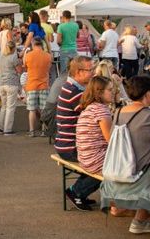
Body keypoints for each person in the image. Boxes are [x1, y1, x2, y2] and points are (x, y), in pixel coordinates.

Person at [99, 76, 150, 234]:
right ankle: (141, 219)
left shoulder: (119, 112)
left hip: (118, 169)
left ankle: (137, 214)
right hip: (140, 175)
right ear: (147, 93)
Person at [55, 56, 98, 210]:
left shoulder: (72, 88)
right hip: (71, 146)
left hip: (66, 144)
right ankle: (77, 192)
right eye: (90, 70)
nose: (93, 73)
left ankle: (80, 191)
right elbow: (97, 114)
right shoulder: (75, 93)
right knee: (104, 162)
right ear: (79, 72)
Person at [24, 37, 52, 137]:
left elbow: (25, 68)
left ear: (33, 44)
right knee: (44, 109)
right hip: (44, 84)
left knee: (32, 110)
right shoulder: (48, 56)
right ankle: (44, 130)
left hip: (31, 85)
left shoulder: (28, 55)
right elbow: (49, 69)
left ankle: (32, 131)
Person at [0, 40, 21, 135]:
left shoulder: (0, 57)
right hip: (11, 83)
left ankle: (0, 128)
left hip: (1, 83)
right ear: (14, 48)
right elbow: (19, 70)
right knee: (10, 108)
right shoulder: (14, 57)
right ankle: (7, 129)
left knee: (4, 106)